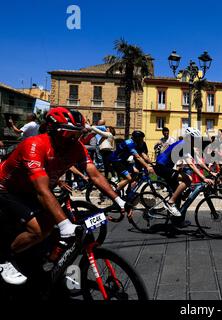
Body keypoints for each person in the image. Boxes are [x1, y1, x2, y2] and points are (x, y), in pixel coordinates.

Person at [0, 107, 128, 285]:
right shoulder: (35, 145)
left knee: (53, 227)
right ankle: (5, 258)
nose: (75, 139)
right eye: (70, 134)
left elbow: (95, 174)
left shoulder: (76, 147)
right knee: (39, 229)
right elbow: (42, 190)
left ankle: (41, 263)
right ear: (54, 131)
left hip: (34, 189)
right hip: (8, 190)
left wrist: (119, 199)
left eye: (79, 134)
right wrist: (65, 225)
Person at [153, 127, 214, 223]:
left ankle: (177, 220)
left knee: (178, 193)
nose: (197, 141)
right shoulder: (183, 145)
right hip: (162, 167)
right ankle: (170, 202)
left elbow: (198, 161)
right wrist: (203, 178)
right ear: (190, 138)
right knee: (188, 178)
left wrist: (210, 172)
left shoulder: (188, 145)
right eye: (195, 139)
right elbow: (191, 164)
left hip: (167, 168)